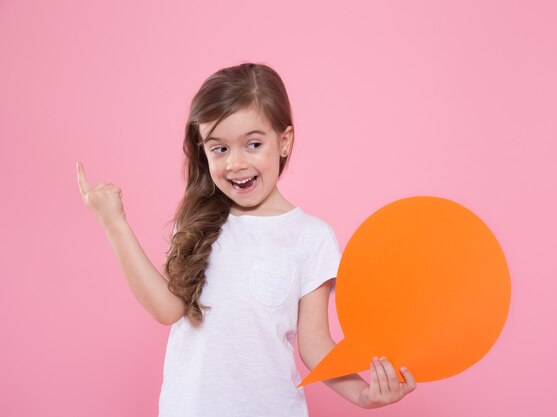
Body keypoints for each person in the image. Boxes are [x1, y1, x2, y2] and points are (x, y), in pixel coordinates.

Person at [76, 62, 416, 416]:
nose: (235, 163)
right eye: (219, 149)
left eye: (253, 144)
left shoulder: (311, 237)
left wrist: (364, 394)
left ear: (284, 142)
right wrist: (114, 223)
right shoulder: (198, 222)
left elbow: (314, 345)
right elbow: (169, 309)